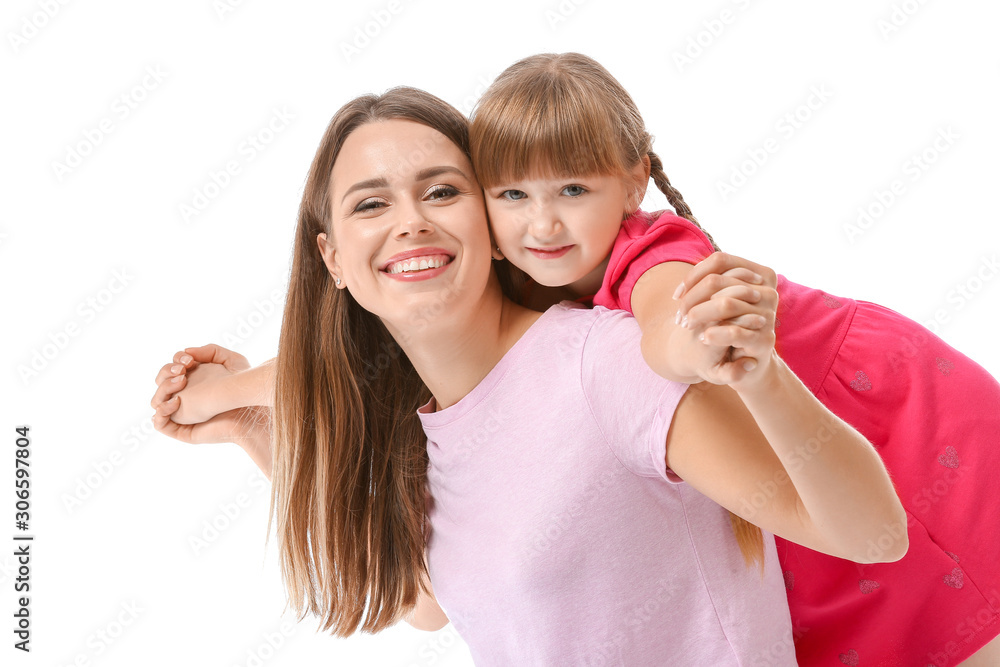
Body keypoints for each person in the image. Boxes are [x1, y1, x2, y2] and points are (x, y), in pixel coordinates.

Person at [150, 86, 905, 665]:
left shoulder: (601, 366)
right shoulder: (426, 429)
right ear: (334, 261)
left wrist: (759, 373)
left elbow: (872, 531)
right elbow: (424, 602)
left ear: (492, 224)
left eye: (442, 190)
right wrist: (262, 434)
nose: (410, 219)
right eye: (371, 204)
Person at [467, 52, 1000, 666]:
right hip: (790, 455)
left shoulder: (651, 250)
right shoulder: (531, 295)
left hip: (885, 412)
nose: (542, 221)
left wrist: (693, 341)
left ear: (634, 182)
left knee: (962, 605)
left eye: (573, 189)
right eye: (512, 193)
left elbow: (666, 314)